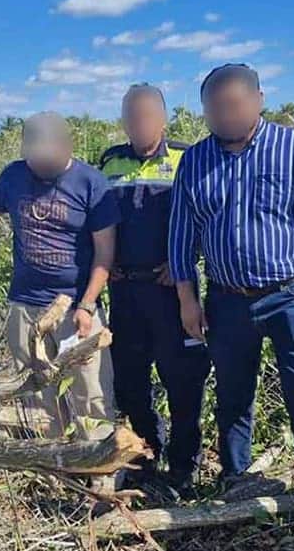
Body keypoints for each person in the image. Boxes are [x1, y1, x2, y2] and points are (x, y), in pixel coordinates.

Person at [168, 64, 294, 551]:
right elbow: (181, 238)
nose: (224, 115)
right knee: (233, 399)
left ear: (258, 101)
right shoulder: (194, 161)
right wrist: (188, 300)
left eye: (233, 105)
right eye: (214, 108)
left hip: (292, 296)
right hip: (227, 302)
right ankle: (238, 484)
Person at [0, 111, 120, 492]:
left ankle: (100, 473)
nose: (41, 164)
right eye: (35, 156)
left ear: (67, 146)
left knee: (89, 393)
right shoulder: (13, 176)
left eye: (48, 155)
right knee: (37, 393)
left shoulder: (92, 184)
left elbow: (104, 254)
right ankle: (53, 469)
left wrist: (87, 304)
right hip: (24, 306)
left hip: (77, 306)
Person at [98, 84, 210, 496]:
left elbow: (205, 217)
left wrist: (184, 261)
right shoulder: (110, 162)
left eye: (147, 115)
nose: (139, 123)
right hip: (125, 292)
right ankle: (147, 453)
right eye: (131, 116)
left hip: (172, 291)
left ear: (163, 119)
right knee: (130, 381)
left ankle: (184, 464)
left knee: (183, 379)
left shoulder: (188, 158)